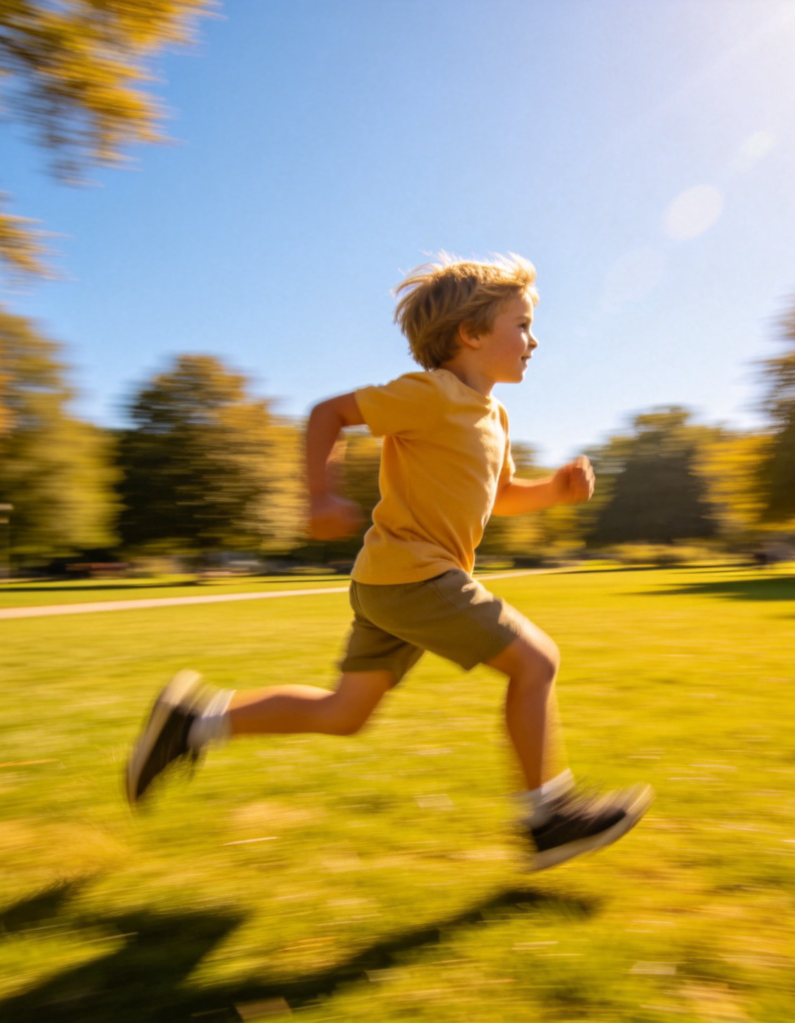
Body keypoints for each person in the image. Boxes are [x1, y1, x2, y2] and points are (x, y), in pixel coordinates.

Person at [125, 254, 652, 870]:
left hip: (395, 583)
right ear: (471, 334)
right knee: (535, 663)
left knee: (344, 713)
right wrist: (319, 496)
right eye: (523, 324)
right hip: (416, 576)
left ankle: (194, 722)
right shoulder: (430, 395)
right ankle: (548, 814)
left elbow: (499, 496)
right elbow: (329, 414)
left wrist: (555, 492)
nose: (534, 340)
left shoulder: (495, 416)